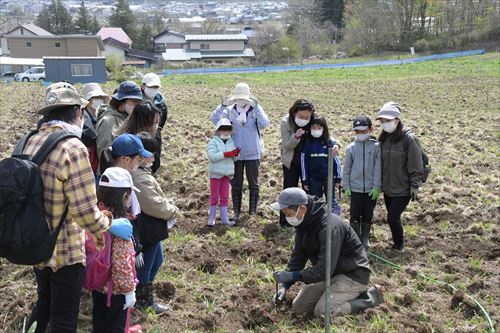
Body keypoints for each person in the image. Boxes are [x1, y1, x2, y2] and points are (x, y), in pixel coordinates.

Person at [24, 87, 133, 333]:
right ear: (77, 111)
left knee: (44, 306)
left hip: (35, 243)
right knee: (64, 319)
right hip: (65, 251)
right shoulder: (73, 148)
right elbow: (85, 213)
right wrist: (109, 223)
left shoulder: (29, 140)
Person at [270, 187, 384, 317]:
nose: (286, 217)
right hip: (332, 274)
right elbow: (298, 258)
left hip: (353, 274)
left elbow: (325, 269)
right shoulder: (303, 223)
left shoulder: (329, 227)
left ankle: (369, 297)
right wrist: (285, 286)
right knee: (299, 307)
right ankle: (336, 296)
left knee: (323, 311)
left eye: (288, 213)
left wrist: (294, 275)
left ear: (302, 209)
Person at [132, 132, 179, 314]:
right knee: (147, 263)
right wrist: (173, 211)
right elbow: (153, 204)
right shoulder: (139, 177)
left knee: (157, 259)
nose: (154, 156)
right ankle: (142, 299)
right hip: (147, 227)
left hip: (152, 226)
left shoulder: (143, 173)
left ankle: (142, 294)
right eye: (150, 153)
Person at [211, 82, 269, 223]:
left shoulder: (254, 110)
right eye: (238, 98)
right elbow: (215, 120)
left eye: (243, 98)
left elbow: (265, 124)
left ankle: (252, 211)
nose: (241, 101)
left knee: (253, 183)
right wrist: (222, 106)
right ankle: (236, 212)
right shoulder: (229, 111)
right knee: (236, 183)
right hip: (234, 153)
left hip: (252, 152)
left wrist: (258, 107)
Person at [90, 167, 138, 333]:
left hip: (97, 286)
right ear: (125, 197)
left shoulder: (96, 220)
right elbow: (121, 263)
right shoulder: (121, 227)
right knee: (115, 328)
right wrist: (129, 291)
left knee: (99, 325)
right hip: (116, 292)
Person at [280, 99, 340, 226]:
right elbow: (286, 146)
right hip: (291, 160)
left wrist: (336, 144)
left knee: (308, 192)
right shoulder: (286, 122)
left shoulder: (311, 119)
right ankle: (285, 221)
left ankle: (305, 220)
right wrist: (295, 136)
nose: (304, 119)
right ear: (294, 112)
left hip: (309, 162)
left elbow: (324, 132)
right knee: (289, 190)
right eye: (301, 116)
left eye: (307, 117)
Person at [377, 102, 423, 253]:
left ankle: (399, 245)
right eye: (382, 121)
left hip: (403, 188)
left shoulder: (409, 139)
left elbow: (415, 163)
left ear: (397, 120)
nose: (385, 124)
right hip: (388, 188)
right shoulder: (384, 139)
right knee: (393, 217)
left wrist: (415, 185)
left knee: (393, 217)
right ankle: (396, 242)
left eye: (388, 121)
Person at [342, 115, 381, 249]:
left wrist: (377, 187)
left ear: (370, 129)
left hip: (370, 189)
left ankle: (365, 237)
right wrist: (346, 186)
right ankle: (355, 237)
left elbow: (378, 169)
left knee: (368, 213)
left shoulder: (376, 147)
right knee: (354, 213)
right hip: (355, 188)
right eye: (357, 131)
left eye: (363, 131)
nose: (360, 134)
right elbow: (346, 169)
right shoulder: (351, 148)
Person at [300, 116, 342, 216]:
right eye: (313, 128)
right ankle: (318, 221)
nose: (316, 130)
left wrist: (338, 176)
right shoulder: (308, 144)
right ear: (309, 129)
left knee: (331, 200)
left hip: (328, 178)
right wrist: (305, 180)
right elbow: (303, 162)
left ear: (324, 129)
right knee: (316, 201)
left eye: (319, 128)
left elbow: (336, 160)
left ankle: (335, 220)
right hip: (313, 179)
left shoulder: (329, 143)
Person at [96, 81, 143, 168]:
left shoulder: (125, 118)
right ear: (122, 100)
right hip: (111, 173)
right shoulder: (108, 121)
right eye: (134, 102)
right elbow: (104, 154)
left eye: (138, 102)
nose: (137, 106)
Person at [207, 118, 240, 227]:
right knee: (214, 196)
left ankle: (224, 219)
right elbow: (212, 157)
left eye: (228, 130)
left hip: (227, 174)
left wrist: (235, 154)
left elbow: (234, 159)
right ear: (219, 131)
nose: (226, 132)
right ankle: (211, 219)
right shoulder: (213, 142)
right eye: (223, 130)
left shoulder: (232, 142)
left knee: (225, 196)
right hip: (216, 174)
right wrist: (226, 154)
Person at [141, 73, 168, 175]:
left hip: (155, 134)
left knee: (154, 155)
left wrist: (156, 129)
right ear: (143, 86)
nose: (153, 89)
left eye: (156, 87)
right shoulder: (137, 101)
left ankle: (154, 172)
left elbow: (163, 119)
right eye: (151, 87)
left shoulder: (161, 103)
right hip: (140, 134)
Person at [82, 83, 110, 174]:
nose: (99, 100)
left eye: (101, 97)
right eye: (96, 97)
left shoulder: (102, 116)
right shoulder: (82, 118)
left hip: (99, 164)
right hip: (88, 164)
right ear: (88, 100)